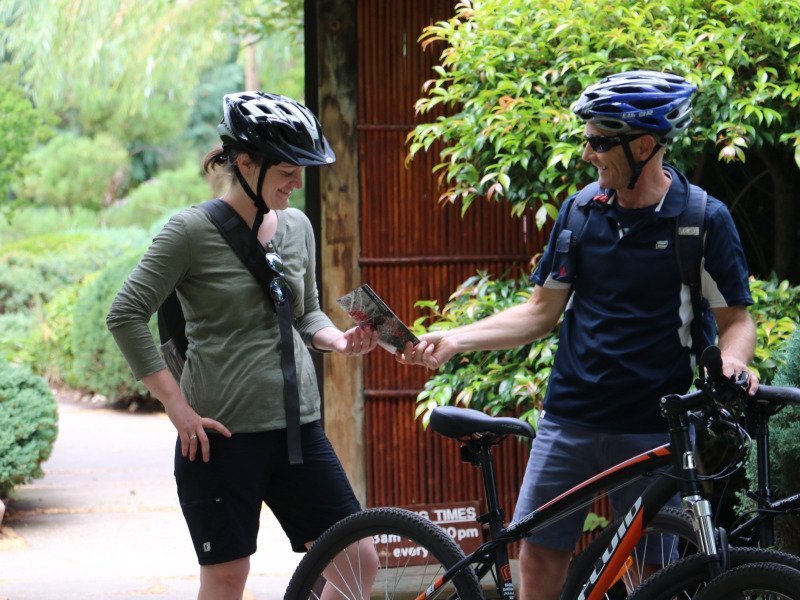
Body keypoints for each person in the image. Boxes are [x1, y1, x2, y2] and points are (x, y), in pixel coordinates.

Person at [398, 70, 758, 600]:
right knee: (540, 553)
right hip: (571, 417)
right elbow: (540, 313)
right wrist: (455, 339)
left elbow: (736, 321)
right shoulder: (580, 213)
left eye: (597, 141)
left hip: (656, 423)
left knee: (656, 569)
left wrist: (732, 363)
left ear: (643, 144)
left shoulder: (701, 219)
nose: (587, 154)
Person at [107, 91, 379, 600]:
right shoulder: (189, 231)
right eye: (287, 171)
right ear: (245, 161)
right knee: (229, 579)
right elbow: (124, 314)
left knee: (358, 560)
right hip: (219, 438)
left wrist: (338, 340)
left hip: (299, 431)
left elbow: (305, 311)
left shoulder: (297, 226)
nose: (298, 183)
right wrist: (177, 407)